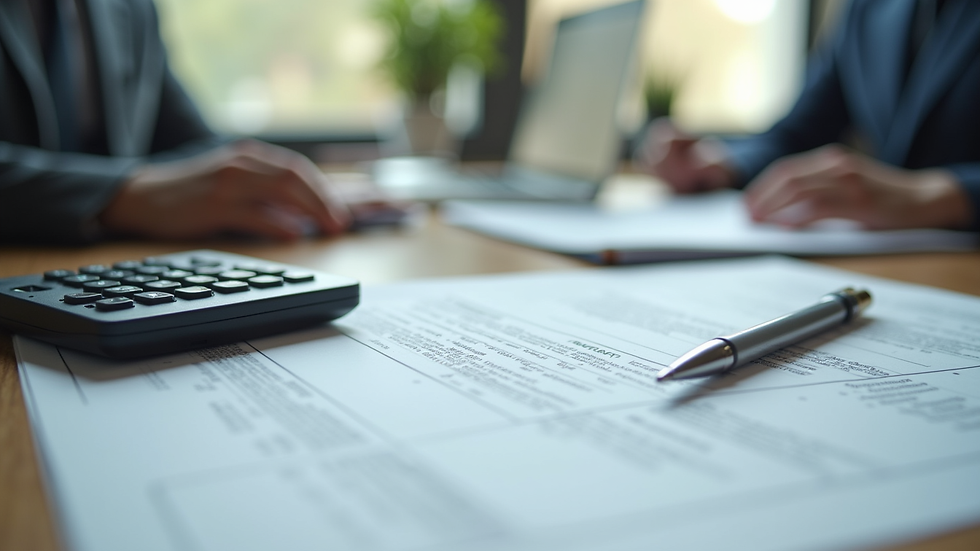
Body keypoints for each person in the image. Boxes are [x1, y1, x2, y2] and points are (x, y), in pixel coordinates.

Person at [0, 0, 351, 244]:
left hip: (112, 267)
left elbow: (191, 143)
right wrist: (124, 197)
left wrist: (289, 186)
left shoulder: (130, 8)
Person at [637, 0, 980, 231]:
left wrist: (939, 194)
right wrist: (719, 162)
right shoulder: (866, 9)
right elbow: (796, 135)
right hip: (897, 260)